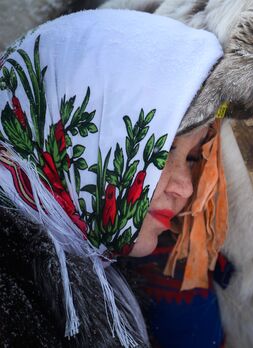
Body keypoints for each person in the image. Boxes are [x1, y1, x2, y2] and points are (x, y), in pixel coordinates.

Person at [0, 9, 225, 347]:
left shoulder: (97, 275)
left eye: (192, 158)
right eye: (162, 153)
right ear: (81, 141)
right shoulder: (11, 305)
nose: (186, 187)